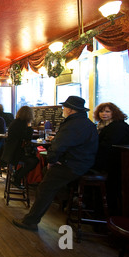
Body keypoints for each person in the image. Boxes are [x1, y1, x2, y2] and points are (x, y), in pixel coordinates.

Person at [12, 96, 98, 231]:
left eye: (65, 107)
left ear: (70, 110)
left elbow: (58, 146)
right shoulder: (87, 123)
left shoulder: (72, 125)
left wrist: (51, 160)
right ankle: (67, 200)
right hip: (84, 163)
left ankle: (30, 221)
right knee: (48, 177)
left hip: (72, 165)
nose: (63, 109)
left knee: (45, 187)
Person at [93, 102, 129, 215]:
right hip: (110, 162)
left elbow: (106, 147)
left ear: (114, 113)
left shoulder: (116, 127)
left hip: (113, 164)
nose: (104, 114)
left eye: (107, 111)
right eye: (102, 111)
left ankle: (99, 212)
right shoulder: (103, 125)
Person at [1, 106, 39, 189]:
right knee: (34, 160)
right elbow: (27, 137)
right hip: (14, 153)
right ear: (29, 115)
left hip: (10, 152)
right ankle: (17, 177)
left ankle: (16, 175)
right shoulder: (21, 124)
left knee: (33, 159)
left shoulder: (16, 122)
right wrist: (29, 126)